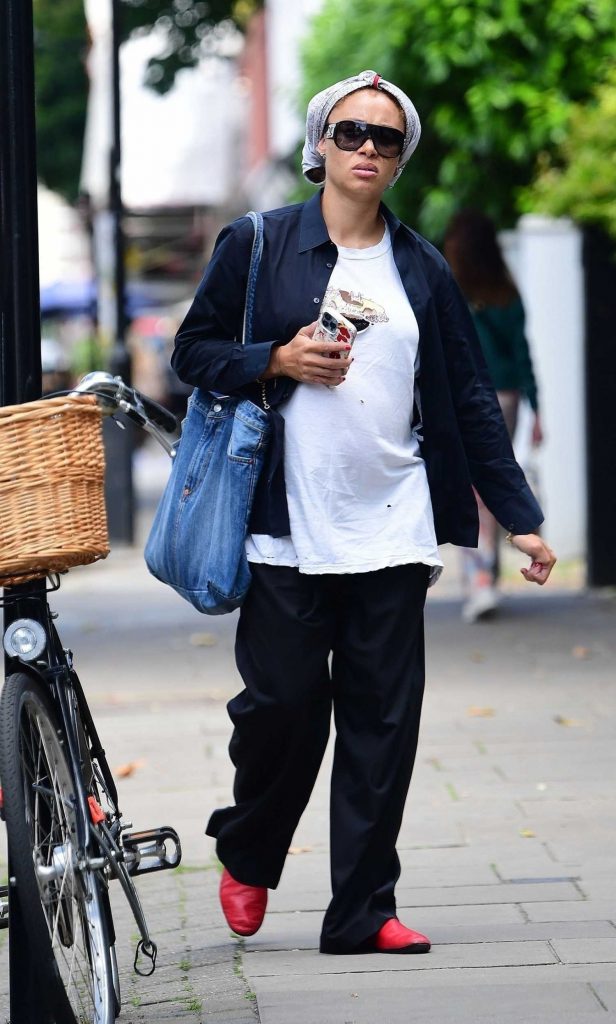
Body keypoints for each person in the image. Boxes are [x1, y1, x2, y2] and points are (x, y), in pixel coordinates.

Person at [171, 70, 556, 956]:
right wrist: (275, 358)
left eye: (386, 139)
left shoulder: (421, 266)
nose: (368, 149)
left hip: (392, 523)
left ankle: (361, 912)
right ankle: (248, 846)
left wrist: (520, 516)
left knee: (383, 723)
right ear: (320, 145)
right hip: (283, 528)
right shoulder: (259, 242)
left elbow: (464, 399)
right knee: (280, 712)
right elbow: (193, 351)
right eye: (351, 133)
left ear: (400, 158)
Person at [443, 210, 544, 623]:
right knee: (491, 484)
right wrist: (537, 408)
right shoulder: (506, 292)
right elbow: (523, 355)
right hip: (506, 398)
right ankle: (486, 577)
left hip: (464, 397)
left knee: (473, 492)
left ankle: (480, 579)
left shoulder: (448, 288)